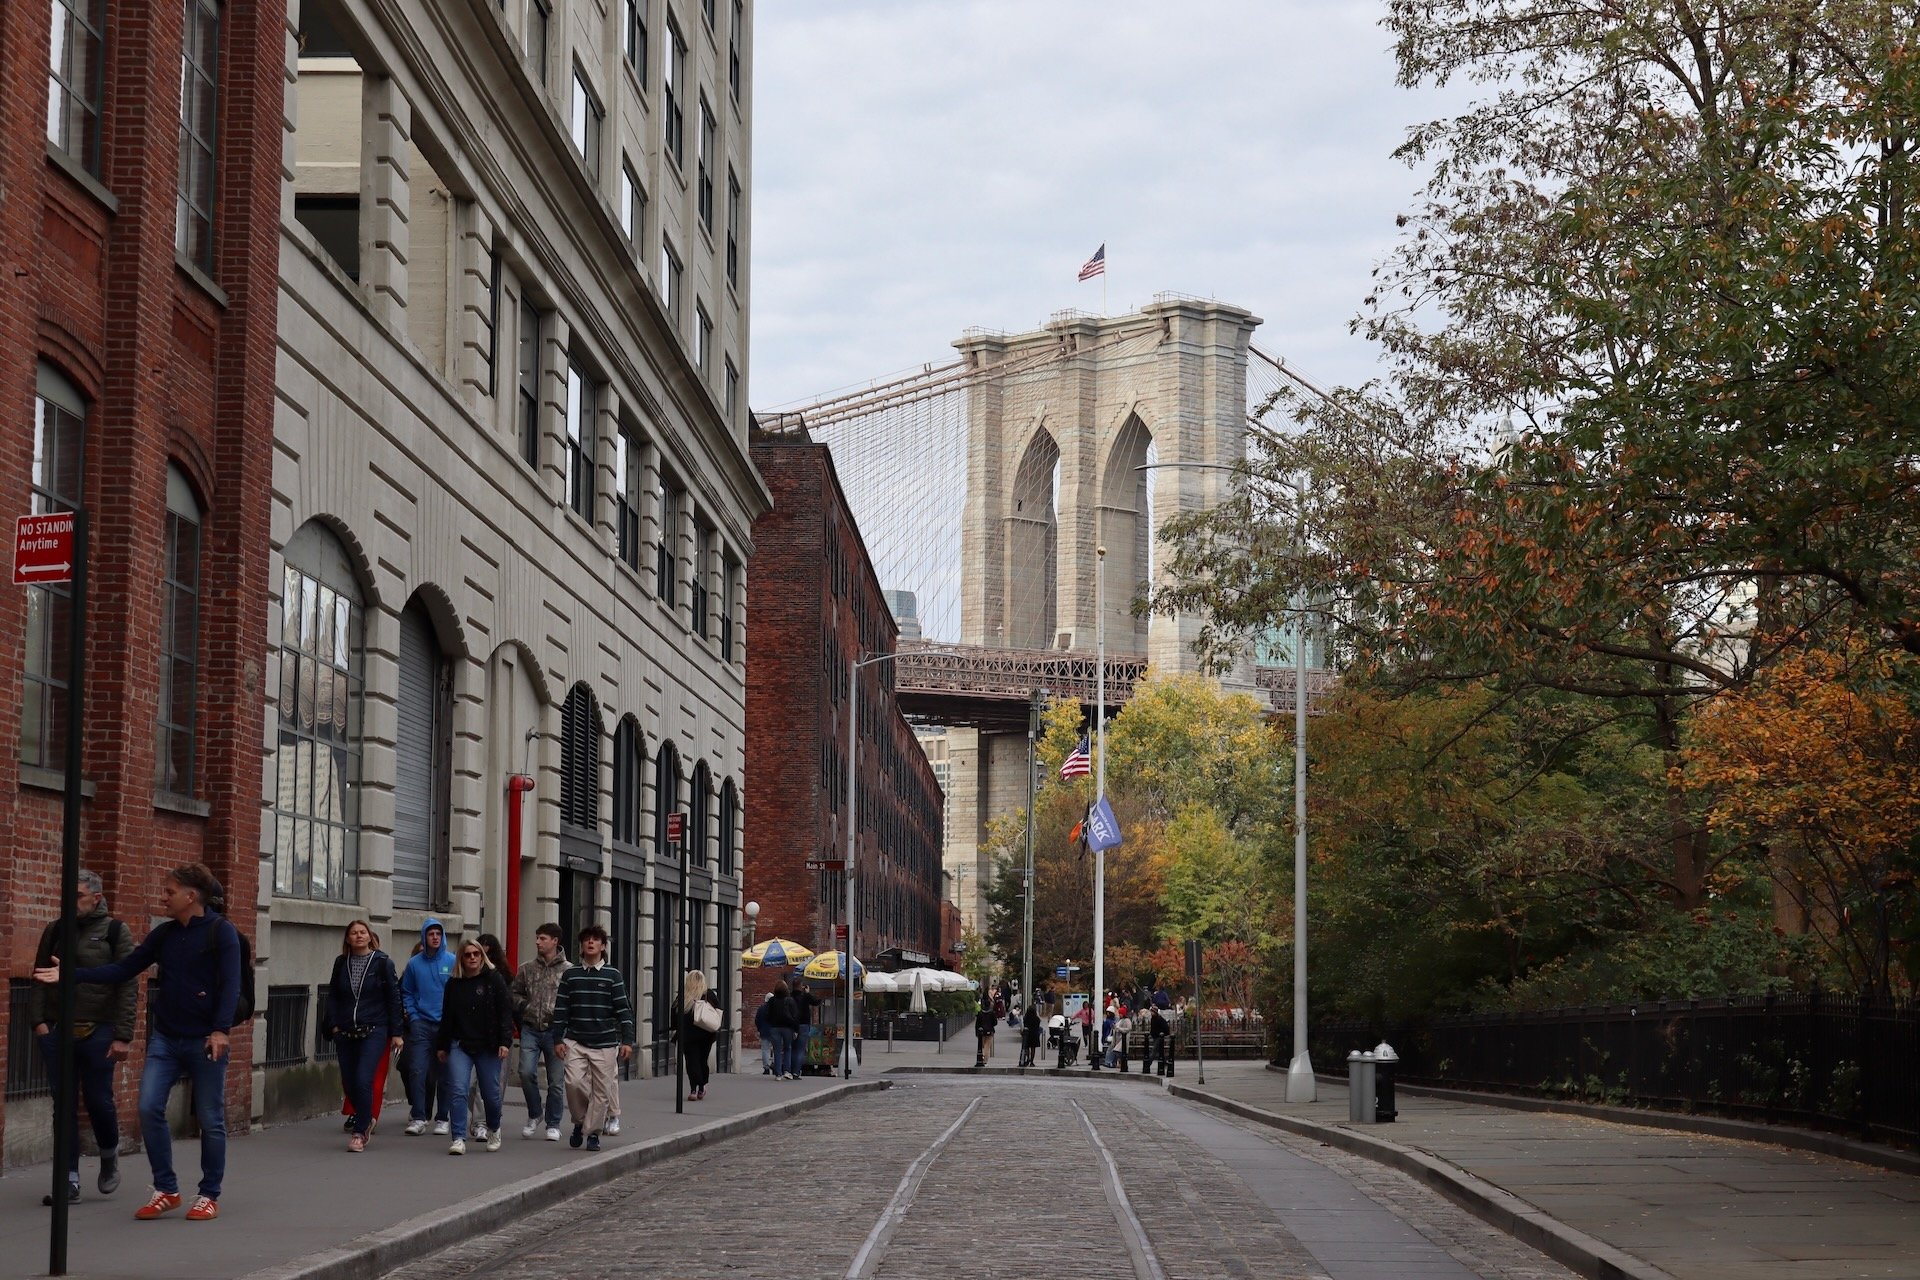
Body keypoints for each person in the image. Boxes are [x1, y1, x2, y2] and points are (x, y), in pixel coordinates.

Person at [33, 863, 239, 1222]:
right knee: (147, 1108)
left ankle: (209, 1194)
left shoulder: (222, 933)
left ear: (191, 896)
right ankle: (166, 1189)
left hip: (205, 1039)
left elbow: (231, 985)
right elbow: (123, 970)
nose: (164, 896)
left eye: (170, 890)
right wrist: (72, 974)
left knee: (210, 1117)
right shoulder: (165, 935)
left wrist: (220, 1030)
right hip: (166, 1038)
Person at [29, 869, 134, 1204]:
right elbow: (39, 975)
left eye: (77, 895)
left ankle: (108, 1155)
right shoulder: (56, 929)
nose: (71, 902)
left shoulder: (116, 932)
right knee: (64, 1105)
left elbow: (128, 985)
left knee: (98, 1100)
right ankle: (69, 1180)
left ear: (96, 897)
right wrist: (39, 1022)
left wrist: (122, 1035)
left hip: (99, 1028)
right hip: (58, 1029)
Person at [551, 924, 634, 1152]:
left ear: (602, 946)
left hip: (605, 1042)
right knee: (574, 1083)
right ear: (581, 945)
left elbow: (623, 1010)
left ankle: (593, 1133)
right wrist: (557, 1039)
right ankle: (580, 1122)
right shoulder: (571, 975)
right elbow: (561, 1010)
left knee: (601, 1092)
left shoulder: (612, 975)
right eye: (586, 939)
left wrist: (627, 1040)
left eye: (595, 940)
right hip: (576, 1040)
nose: (590, 943)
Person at [325, 921, 404, 1153]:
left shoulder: (382, 963)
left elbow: (394, 998)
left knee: (363, 1079)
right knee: (350, 1083)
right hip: (346, 1031)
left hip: (374, 1030)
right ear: (347, 939)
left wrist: (397, 1033)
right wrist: (334, 1026)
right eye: (353, 933)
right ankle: (365, 1116)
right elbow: (333, 996)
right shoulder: (341, 963)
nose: (359, 936)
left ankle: (360, 1132)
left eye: (362, 932)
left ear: (369, 937)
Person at [434, 940, 514, 1154]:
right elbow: (447, 1017)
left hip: (488, 1045)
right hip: (460, 1044)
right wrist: (442, 1045)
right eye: (467, 954)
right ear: (461, 958)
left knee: (490, 1094)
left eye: (476, 954)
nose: (472, 958)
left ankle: (494, 1127)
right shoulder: (454, 984)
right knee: (459, 1090)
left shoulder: (493, 980)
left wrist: (505, 1042)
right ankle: (458, 1137)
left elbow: (505, 1013)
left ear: (482, 957)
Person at [509, 922, 570, 1140]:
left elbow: (573, 1001)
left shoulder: (568, 971)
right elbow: (514, 994)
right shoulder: (527, 969)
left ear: (555, 941)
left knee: (555, 1080)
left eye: (542, 938)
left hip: (556, 1032)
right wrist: (526, 1007)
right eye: (537, 938)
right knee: (526, 1072)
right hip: (531, 1028)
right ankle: (535, 1113)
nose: (537, 942)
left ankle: (553, 1122)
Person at [400, 918, 457, 1136]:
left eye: (438, 933)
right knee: (417, 1070)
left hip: (445, 1025)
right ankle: (419, 1116)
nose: (434, 937)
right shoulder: (414, 963)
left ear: (442, 936)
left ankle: (443, 1117)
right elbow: (407, 992)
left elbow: (457, 990)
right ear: (424, 937)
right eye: (430, 933)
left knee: (444, 1073)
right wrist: (413, 1017)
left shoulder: (452, 961)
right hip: (421, 1024)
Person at [678, 970, 721, 1100]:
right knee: (701, 1060)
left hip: (689, 1035)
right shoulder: (709, 995)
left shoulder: (684, 996)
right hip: (706, 1034)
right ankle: (699, 1087)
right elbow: (718, 1011)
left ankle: (695, 1088)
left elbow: (675, 1015)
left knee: (692, 1062)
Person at [765, 980, 799, 1080]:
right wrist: (796, 1029)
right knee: (788, 1048)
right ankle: (787, 1071)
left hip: (775, 1028)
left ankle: (778, 1073)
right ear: (786, 989)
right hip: (787, 1028)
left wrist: (771, 1024)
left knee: (777, 1050)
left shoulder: (771, 1001)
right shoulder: (790, 1000)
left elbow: (767, 1015)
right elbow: (795, 1016)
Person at [790, 979, 823, 1070]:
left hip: (792, 1025)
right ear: (801, 986)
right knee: (800, 1050)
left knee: (792, 1049)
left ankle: (790, 1070)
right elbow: (816, 1002)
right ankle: (797, 1071)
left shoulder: (789, 996)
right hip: (804, 1024)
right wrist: (808, 992)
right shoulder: (805, 996)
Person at [753, 991, 775, 1074]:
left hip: (764, 1031)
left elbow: (757, 1020)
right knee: (776, 1049)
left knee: (765, 1050)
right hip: (774, 1031)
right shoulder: (775, 1008)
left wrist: (760, 1029)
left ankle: (766, 1068)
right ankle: (775, 1065)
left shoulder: (761, 1008)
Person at [1148, 1004, 1172, 1077]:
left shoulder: (1159, 1019)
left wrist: (1162, 1033)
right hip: (1155, 1036)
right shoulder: (1153, 1019)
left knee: (1154, 1050)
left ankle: (1148, 1063)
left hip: (1159, 1037)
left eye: (1152, 1012)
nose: (1151, 1013)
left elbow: (1166, 1028)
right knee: (1159, 1050)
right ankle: (1164, 1062)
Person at [974, 1002, 996, 1067]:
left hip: (981, 1032)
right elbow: (995, 1022)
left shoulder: (980, 1013)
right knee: (987, 1046)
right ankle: (985, 1059)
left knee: (982, 1045)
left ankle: (981, 1055)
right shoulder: (992, 1013)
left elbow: (977, 1024)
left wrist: (976, 1033)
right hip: (990, 1031)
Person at [1020, 1001, 1041, 1068]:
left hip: (1027, 1034)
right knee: (1033, 1048)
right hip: (1034, 1034)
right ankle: (1032, 1061)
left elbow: (1024, 1025)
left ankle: (1028, 1058)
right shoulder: (1037, 1019)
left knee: (1026, 1047)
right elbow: (1038, 1025)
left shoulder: (1026, 1018)